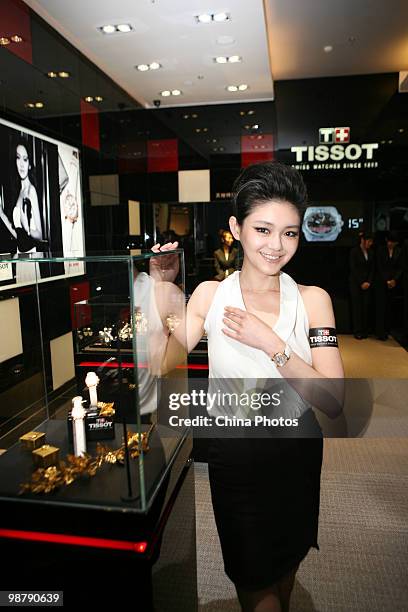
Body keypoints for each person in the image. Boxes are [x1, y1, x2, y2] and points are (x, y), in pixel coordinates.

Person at [153, 161, 344, 612]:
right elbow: (164, 362)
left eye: (290, 232)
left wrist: (273, 344)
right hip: (234, 451)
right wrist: (163, 287)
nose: (276, 245)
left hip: (297, 447)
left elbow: (333, 400)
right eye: (263, 229)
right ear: (236, 228)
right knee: (253, 581)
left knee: (286, 571)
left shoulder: (314, 301)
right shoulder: (209, 296)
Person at [0, 138, 44, 283]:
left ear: (30, 164)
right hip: (20, 256)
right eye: (18, 158)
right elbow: (19, 235)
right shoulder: (19, 192)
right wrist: (2, 215)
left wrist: (27, 227)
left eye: (25, 159)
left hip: (31, 257)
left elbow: (40, 234)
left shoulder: (31, 191)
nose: (21, 164)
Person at [374, 231, 403, 340]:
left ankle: (387, 331)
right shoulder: (381, 250)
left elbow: (400, 267)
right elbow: (379, 267)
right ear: (386, 240)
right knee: (381, 307)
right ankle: (380, 332)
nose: (390, 244)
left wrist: (394, 280)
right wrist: (386, 280)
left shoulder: (399, 251)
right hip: (381, 283)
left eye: (393, 242)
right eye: (389, 241)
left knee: (389, 308)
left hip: (393, 284)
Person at [349, 231, 375, 339]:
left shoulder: (371, 252)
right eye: (369, 241)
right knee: (357, 307)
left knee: (366, 306)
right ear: (363, 240)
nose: (370, 244)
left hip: (367, 284)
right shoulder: (354, 251)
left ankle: (365, 330)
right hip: (356, 283)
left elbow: (373, 268)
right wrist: (361, 282)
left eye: (371, 242)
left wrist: (368, 281)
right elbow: (353, 268)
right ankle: (357, 331)